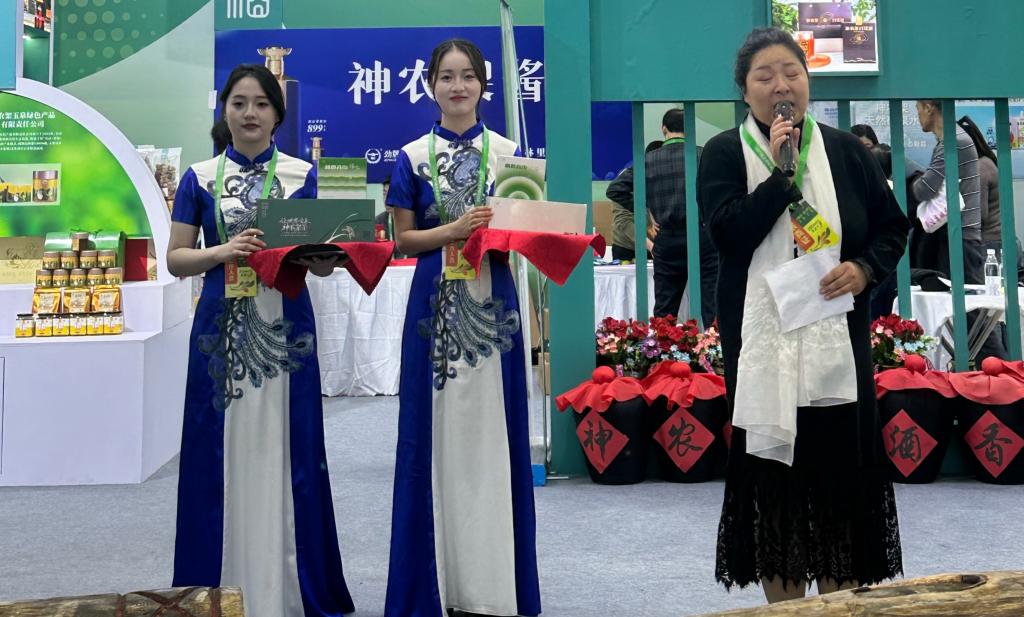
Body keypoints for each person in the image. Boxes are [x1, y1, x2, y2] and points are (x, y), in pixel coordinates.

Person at [697, 27, 907, 603]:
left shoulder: (846, 152)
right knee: (774, 480)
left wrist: (864, 268)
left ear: (808, 82)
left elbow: (892, 228)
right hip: (760, 343)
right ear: (744, 91)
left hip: (836, 336)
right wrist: (780, 177)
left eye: (792, 73)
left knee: (839, 479)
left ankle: (839, 606)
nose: (781, 86)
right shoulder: (723, 153)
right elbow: (728, 235)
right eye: (764, 77)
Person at [167, 64, 354, 617]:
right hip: (219, 334)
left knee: (289, 446)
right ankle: (215, 588)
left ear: (278, 114)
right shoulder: (199, 177)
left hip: (286, 330)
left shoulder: (301, 175)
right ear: (224, 110)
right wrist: (223, 252)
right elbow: (176, 259)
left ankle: (292, 588)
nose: (250, 113)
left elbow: (319, 260)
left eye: (261, 104)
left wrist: (328, 258)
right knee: (218, 450)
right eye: (239, 103)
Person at [384, 38, 541, 617]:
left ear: (483, 85)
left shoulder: (509, 154)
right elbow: (403, 240)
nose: (458, 86)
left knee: (495, 432)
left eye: (468, 76)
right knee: (433, 436)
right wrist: (454, 231)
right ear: (431, 85)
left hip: (493, 303)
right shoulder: (410, 157)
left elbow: (526, 228)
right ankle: (437, 586)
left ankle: (495, 585)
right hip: (435, 308)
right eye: (447, 77)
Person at [607, 108, 718, 325]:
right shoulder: (703, 156)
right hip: (702, 237)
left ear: (663, 129)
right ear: (689, 129)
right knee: (711, 306)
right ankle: (713, 344)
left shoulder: (647, 161)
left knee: (665, 310)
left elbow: (615, 189)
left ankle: (663, 344)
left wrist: (648, 209)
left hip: (666, 240)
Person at [912, 99, 984, 284]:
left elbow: (924, 190)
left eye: (918, 110)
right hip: (958, 233)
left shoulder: (953, 142)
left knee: (965, 298)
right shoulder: (951, 139)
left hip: (960, 235)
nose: (918, 117)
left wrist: (913, 180)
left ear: (929, 108)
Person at [605, 140, 662, 261]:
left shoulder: (661, 179)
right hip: (627, 248)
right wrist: (650, 245)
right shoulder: (625, 182)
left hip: (655, 246)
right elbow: (624, 222)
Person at [957, 115, 1001, 251]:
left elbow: (978, 214)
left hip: (989, 244)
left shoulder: (979, 168)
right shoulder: (984, 162)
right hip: (992, 241)